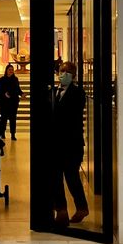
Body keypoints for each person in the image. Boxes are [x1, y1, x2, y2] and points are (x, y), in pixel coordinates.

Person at [50, 60, 89, 226]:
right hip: (56, 143)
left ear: (73, 75)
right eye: (60, 70)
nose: (62, 74)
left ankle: (81, 207)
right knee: (55, 177)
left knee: (72, 176)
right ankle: (61, 210)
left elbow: (71, 115)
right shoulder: (53, 91)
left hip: (71, 143)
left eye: (66, 71)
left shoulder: (78, 93)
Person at [0, 63, 23, 141]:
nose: (11, 71)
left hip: (13, 103)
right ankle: (2, 133)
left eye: (12, 70)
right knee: (3, 118)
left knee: (13, 119)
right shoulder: (1, 80)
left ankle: (13, 134)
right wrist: (4, 94)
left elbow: (18, 89)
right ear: (6, 71)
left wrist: (22, 94)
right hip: (3, 102)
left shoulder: (15, 79)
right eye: (9, 70)